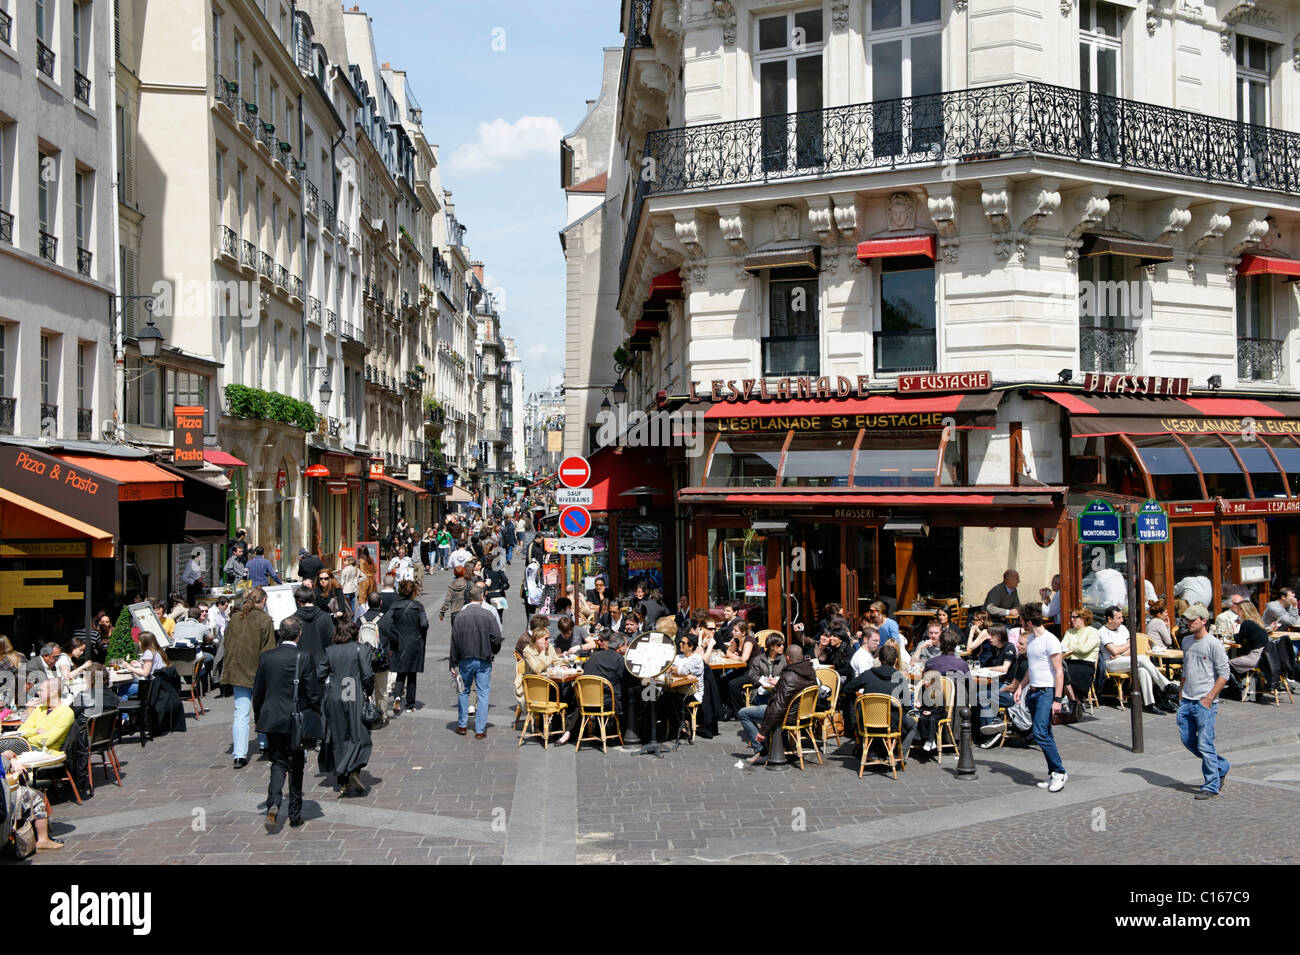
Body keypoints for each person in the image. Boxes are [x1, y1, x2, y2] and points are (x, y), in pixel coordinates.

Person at [253, 618, 322, 831]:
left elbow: (258, 692)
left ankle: (274, 802)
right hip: (296, 718)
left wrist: (259, 717)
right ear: (298, 634)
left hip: (272, 718)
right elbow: (312, 692)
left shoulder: (267, 657)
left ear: (280, 634)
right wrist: (315, 713)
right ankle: (295, 814)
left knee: (277, 761)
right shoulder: (304, 657)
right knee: (296, 766)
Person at [1005, 601, 1068, 792]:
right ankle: (1053, 773)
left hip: (1047, 691)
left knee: (1040, 732)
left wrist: (1057, 699)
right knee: (1045, 733)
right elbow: (1031, 669)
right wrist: (1020, 688)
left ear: (1029, 622)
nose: (1020, 623)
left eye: (1022, 620)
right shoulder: (1031, 639)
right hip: (1033, 691)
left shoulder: (1050, 640)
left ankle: (1060, 771)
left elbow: (1059, 671)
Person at [1175, 603, 1231, 800]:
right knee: (1189, 740)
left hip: (1204, 701)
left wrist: (1209, 698)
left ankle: (1211, 785)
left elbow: (1225, 674)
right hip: (1187, 699)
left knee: (1205, 743)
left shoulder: (1214, 644)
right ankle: (1221, 766)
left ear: (1204, 621)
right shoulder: (1187, 641)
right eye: (1187, 619)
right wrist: (1181, 691)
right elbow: (1186, 667)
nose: (1188, 623)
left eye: (1192, 620)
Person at [221, 586, 277, 768]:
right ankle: (264, 743)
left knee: (241, 712)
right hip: (258, 671)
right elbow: (269, 651)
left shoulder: (235, 618)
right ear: (264, 601)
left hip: (238, 670)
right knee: (262, 708)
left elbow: (227, 644)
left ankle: (239, 753)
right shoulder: (265, 620)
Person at [318, 622, 373, 796]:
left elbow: (320, 673)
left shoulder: (330, 650)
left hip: (335, 696)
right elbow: (367, 674)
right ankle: (353, 769)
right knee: (359, 735)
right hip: (353, 694)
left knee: (339, 737)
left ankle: (343, 780)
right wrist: (368, 691)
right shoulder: (361, 649)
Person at [743, 643, 817, 766]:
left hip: (788, 715)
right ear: (802, 657)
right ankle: (781, 745)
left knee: (744, 713)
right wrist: (779, 685)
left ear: (787, 658)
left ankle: (762, 751)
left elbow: (778, 707)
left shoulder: (789, 676)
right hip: (805, 714)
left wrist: (763, 731)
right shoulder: (810, 670)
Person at [1099, 605, 1176, 714]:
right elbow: (1114, 652)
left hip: (1125, 660)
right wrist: (1125, 647)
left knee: (1143, 670)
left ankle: (1149, 704)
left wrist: (1121, 651)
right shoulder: (1102, 632)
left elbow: (1131, 647)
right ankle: (1166, 685)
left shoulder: (1123, 629)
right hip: (1111, 664)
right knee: (1142, 658)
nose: (1122, 620)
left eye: (1122, 617)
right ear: (1109, 619)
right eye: (1119, 618)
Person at [450, 582, 503, 738]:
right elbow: (497, 638)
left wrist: (453, 662)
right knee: (483, 693)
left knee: (463, 691)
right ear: (481, 598)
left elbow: (454, 640)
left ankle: (462, 725)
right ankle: (480, 729)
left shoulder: (460, 616)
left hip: (465, 657)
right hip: (483, 657)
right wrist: (493, 650)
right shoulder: (488, 615)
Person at [382, 580, 429, 716]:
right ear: (413, 592)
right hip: (414, 643)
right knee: (412, 674)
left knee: (400, 673)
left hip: (400, 643)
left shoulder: (394, 606)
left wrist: (394, 635)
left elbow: (384, 623)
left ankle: (397, 696)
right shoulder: (418, 606)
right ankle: (410, 705)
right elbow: (424, 623)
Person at [2, 749, 64, 851]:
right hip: (4, 797)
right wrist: (9, 759)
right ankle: (43, 839)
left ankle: (36, 833)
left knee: (31, 793)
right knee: (37, 796)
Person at [16, 679, 75, 755]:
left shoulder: (66, 713)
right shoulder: (40, 709)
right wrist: (36, 731)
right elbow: (20, 731)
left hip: (46, 753)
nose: (38, 693)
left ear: (53, 692)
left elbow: (47, 741)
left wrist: (27, 739)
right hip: (28, 747)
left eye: (41, 690)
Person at [1060, 609, 1101, 704]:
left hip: (1085, 664)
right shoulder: (1069, 632)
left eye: (1074, 617)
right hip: (1069, 662)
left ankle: (1075, 700)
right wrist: (1075, 649)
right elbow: (1062, 648)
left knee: (1068, 673)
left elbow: (1085, 649)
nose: (1071, 620)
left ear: (1083, 618)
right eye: (1071, 617)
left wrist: (1070, 647)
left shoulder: (1093, 632)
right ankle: (1072, 700)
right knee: (1058, 671)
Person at [289, 585, 333, 671]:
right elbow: (332, 642)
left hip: (300, 666)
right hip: (322, 666)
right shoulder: (326, 617)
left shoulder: (292, 620)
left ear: (298, 601)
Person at [1227, 599, 1269, 682]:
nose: (1237, 612)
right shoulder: (1257, 622)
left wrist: (1235, 630)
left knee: (1226, 664)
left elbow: (1238, 640)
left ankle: (1236, 687)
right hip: (1264, 656)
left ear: (1243, 610)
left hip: (1255, 657)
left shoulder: (1247, 623)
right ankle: (1244, 684)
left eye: (1238, 610)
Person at [121, 632, 167, 699]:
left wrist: (129, 667)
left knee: (123, 688)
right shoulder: (157, 651)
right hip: (158, 683)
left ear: (143, 642)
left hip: (151, 685)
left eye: (139, 641)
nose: (138, 643)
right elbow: (153, 666)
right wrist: (140, 664)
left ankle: (124, 707)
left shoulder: (148, 652)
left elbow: (145, 673)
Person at [338, 555, 359, 620]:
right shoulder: (355, 569)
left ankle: (347, 620)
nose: (344, 562)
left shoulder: (344, 570)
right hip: (353, 589)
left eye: (345, 560)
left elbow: (342, 582)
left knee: (346, 607)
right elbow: (356, 579)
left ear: (348, 561)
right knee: (352, 606)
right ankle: (353, 620)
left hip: (346, 590)